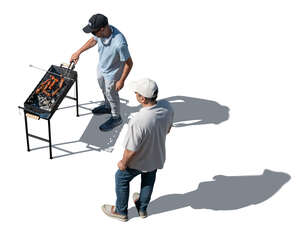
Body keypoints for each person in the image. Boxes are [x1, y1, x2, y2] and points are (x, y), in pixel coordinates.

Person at [101, 78, 174, 221]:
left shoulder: (139, 120)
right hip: (156, 156)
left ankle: (121, 211)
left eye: (136, 93)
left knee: (121, 178)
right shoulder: (167, 107)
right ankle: (142, 208)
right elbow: (168, 130)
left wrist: (123, 162)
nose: (135, 94)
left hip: (138, 161)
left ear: (142, 98)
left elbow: (131, 149)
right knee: (148, 178)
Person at [70, 14, 133, 131]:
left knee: (111, 93)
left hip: (113, 73)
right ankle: (108, 106)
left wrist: (121, 81)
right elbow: (93, 41)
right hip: (102, 67)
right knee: (102, 87)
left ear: (102, 29)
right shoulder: (100, 33)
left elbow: (129, 63)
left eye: (93, 32)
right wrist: (78, 52)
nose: (92, 34)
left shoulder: (119, 43)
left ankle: (116, 117)